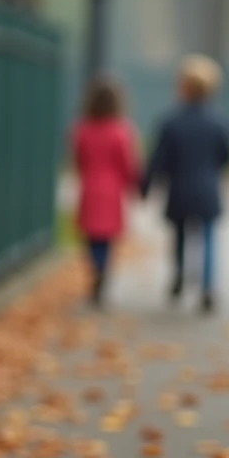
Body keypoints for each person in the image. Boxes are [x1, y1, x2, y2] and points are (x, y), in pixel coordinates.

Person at [140, 55, 229, 314]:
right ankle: (207, 287)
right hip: (207, 188)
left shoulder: (171, 121)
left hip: (180, 188)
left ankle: (180, 275)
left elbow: (158, 159)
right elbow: (228, 155)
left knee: (180, 235)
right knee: (207, 238)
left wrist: (145, 186)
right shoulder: (220, 121)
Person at [71, 75, 140, 306]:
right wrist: (134, 185)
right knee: (108, 236)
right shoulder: (122, 131)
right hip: (112, 190)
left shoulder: (82, 129)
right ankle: (103, 269)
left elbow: (78, 158)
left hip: (90, 187)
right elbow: (128, 164)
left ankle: (96, 268)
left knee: (92, 235)